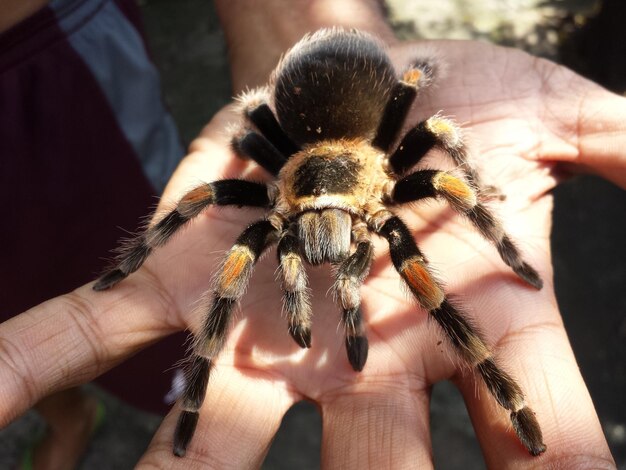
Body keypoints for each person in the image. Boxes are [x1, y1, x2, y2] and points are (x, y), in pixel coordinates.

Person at [1, 0, 623, 467]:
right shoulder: (271, 187)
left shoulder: (383, 167)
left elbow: (423, 119)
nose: (323, 242)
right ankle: (171, 393)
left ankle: (508, 392)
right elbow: (243, 127)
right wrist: (136, 259)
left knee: (433, 266)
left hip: (57, 51)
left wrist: (486, 212)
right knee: (213, 250)